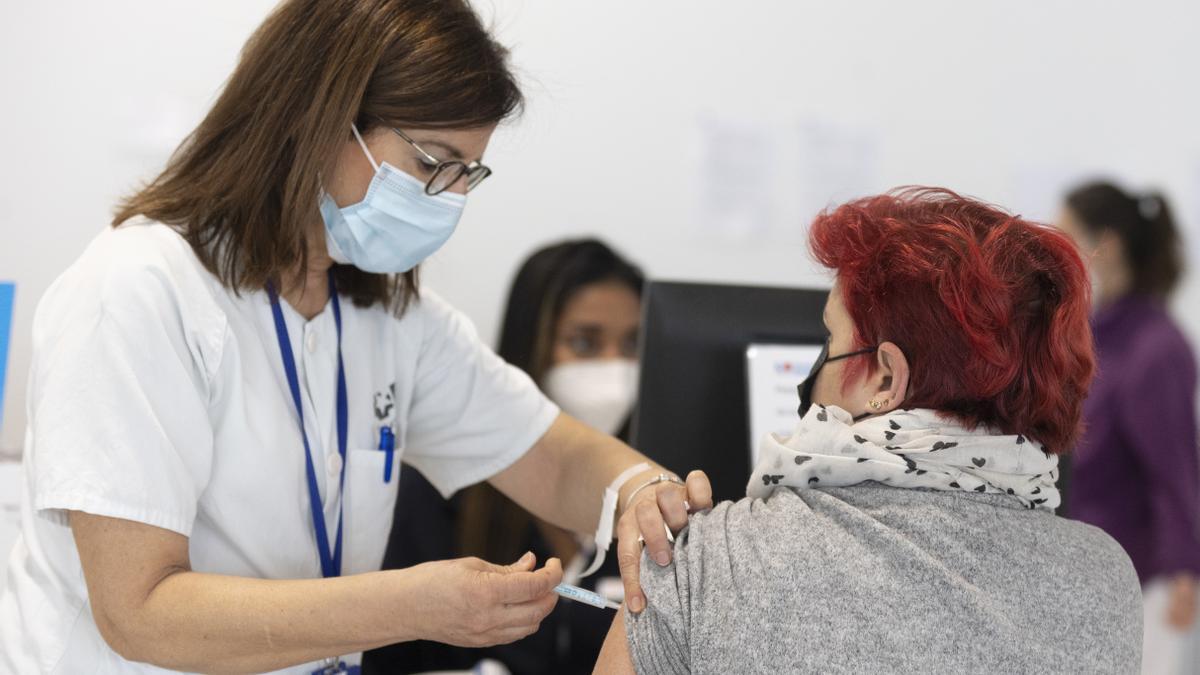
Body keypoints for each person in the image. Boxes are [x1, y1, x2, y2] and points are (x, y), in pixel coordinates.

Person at [0, 2, 711, 672]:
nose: (450, 199)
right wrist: (410, 604)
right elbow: (139, 610)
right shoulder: (137, 291)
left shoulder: (389, 315)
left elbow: (552, 458)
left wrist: (639, 489)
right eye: (432, 164)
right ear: (320, 119)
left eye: (469, 173)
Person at [594, 187, 1142, 674]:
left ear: (884, 377)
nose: (818, 370)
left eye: (831, 343)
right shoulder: (1105, 582)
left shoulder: (703, 565)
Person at [365, 239, 644, 674]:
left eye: (632, 346)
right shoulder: (433, 497)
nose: (615, 369)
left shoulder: (643, 507)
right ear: (531, 343)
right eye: (585, 344)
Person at [1057, 181, 1200, 674]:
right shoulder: (1096, 334)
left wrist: (1186, 568)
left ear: (1107, 245)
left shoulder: (1155, 348)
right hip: (1090, 575)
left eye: (1066, 235)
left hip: (1145, 583)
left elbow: (1175, 469)